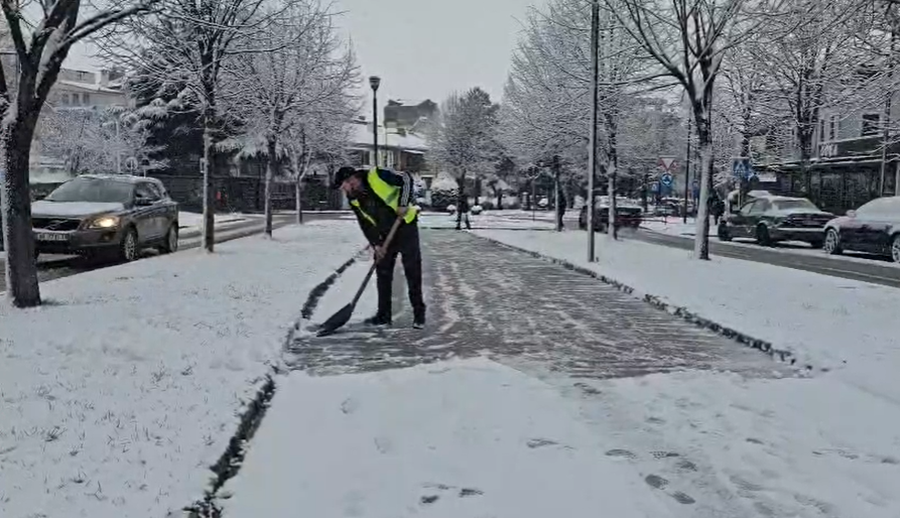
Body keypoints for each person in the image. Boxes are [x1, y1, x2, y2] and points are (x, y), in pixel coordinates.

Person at [334, 166, 426, 329]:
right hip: (384, 236)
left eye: (345, 185)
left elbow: (406, 178)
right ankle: (383, 316)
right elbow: (365, 223)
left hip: (405, 227)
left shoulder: (377, 175)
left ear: (353, 179)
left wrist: (403, 203)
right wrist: (375, 244)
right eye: (343, 187)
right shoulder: (353, 199)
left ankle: (419, 315)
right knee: (383, 274)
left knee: (412, 271)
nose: (345, 189)